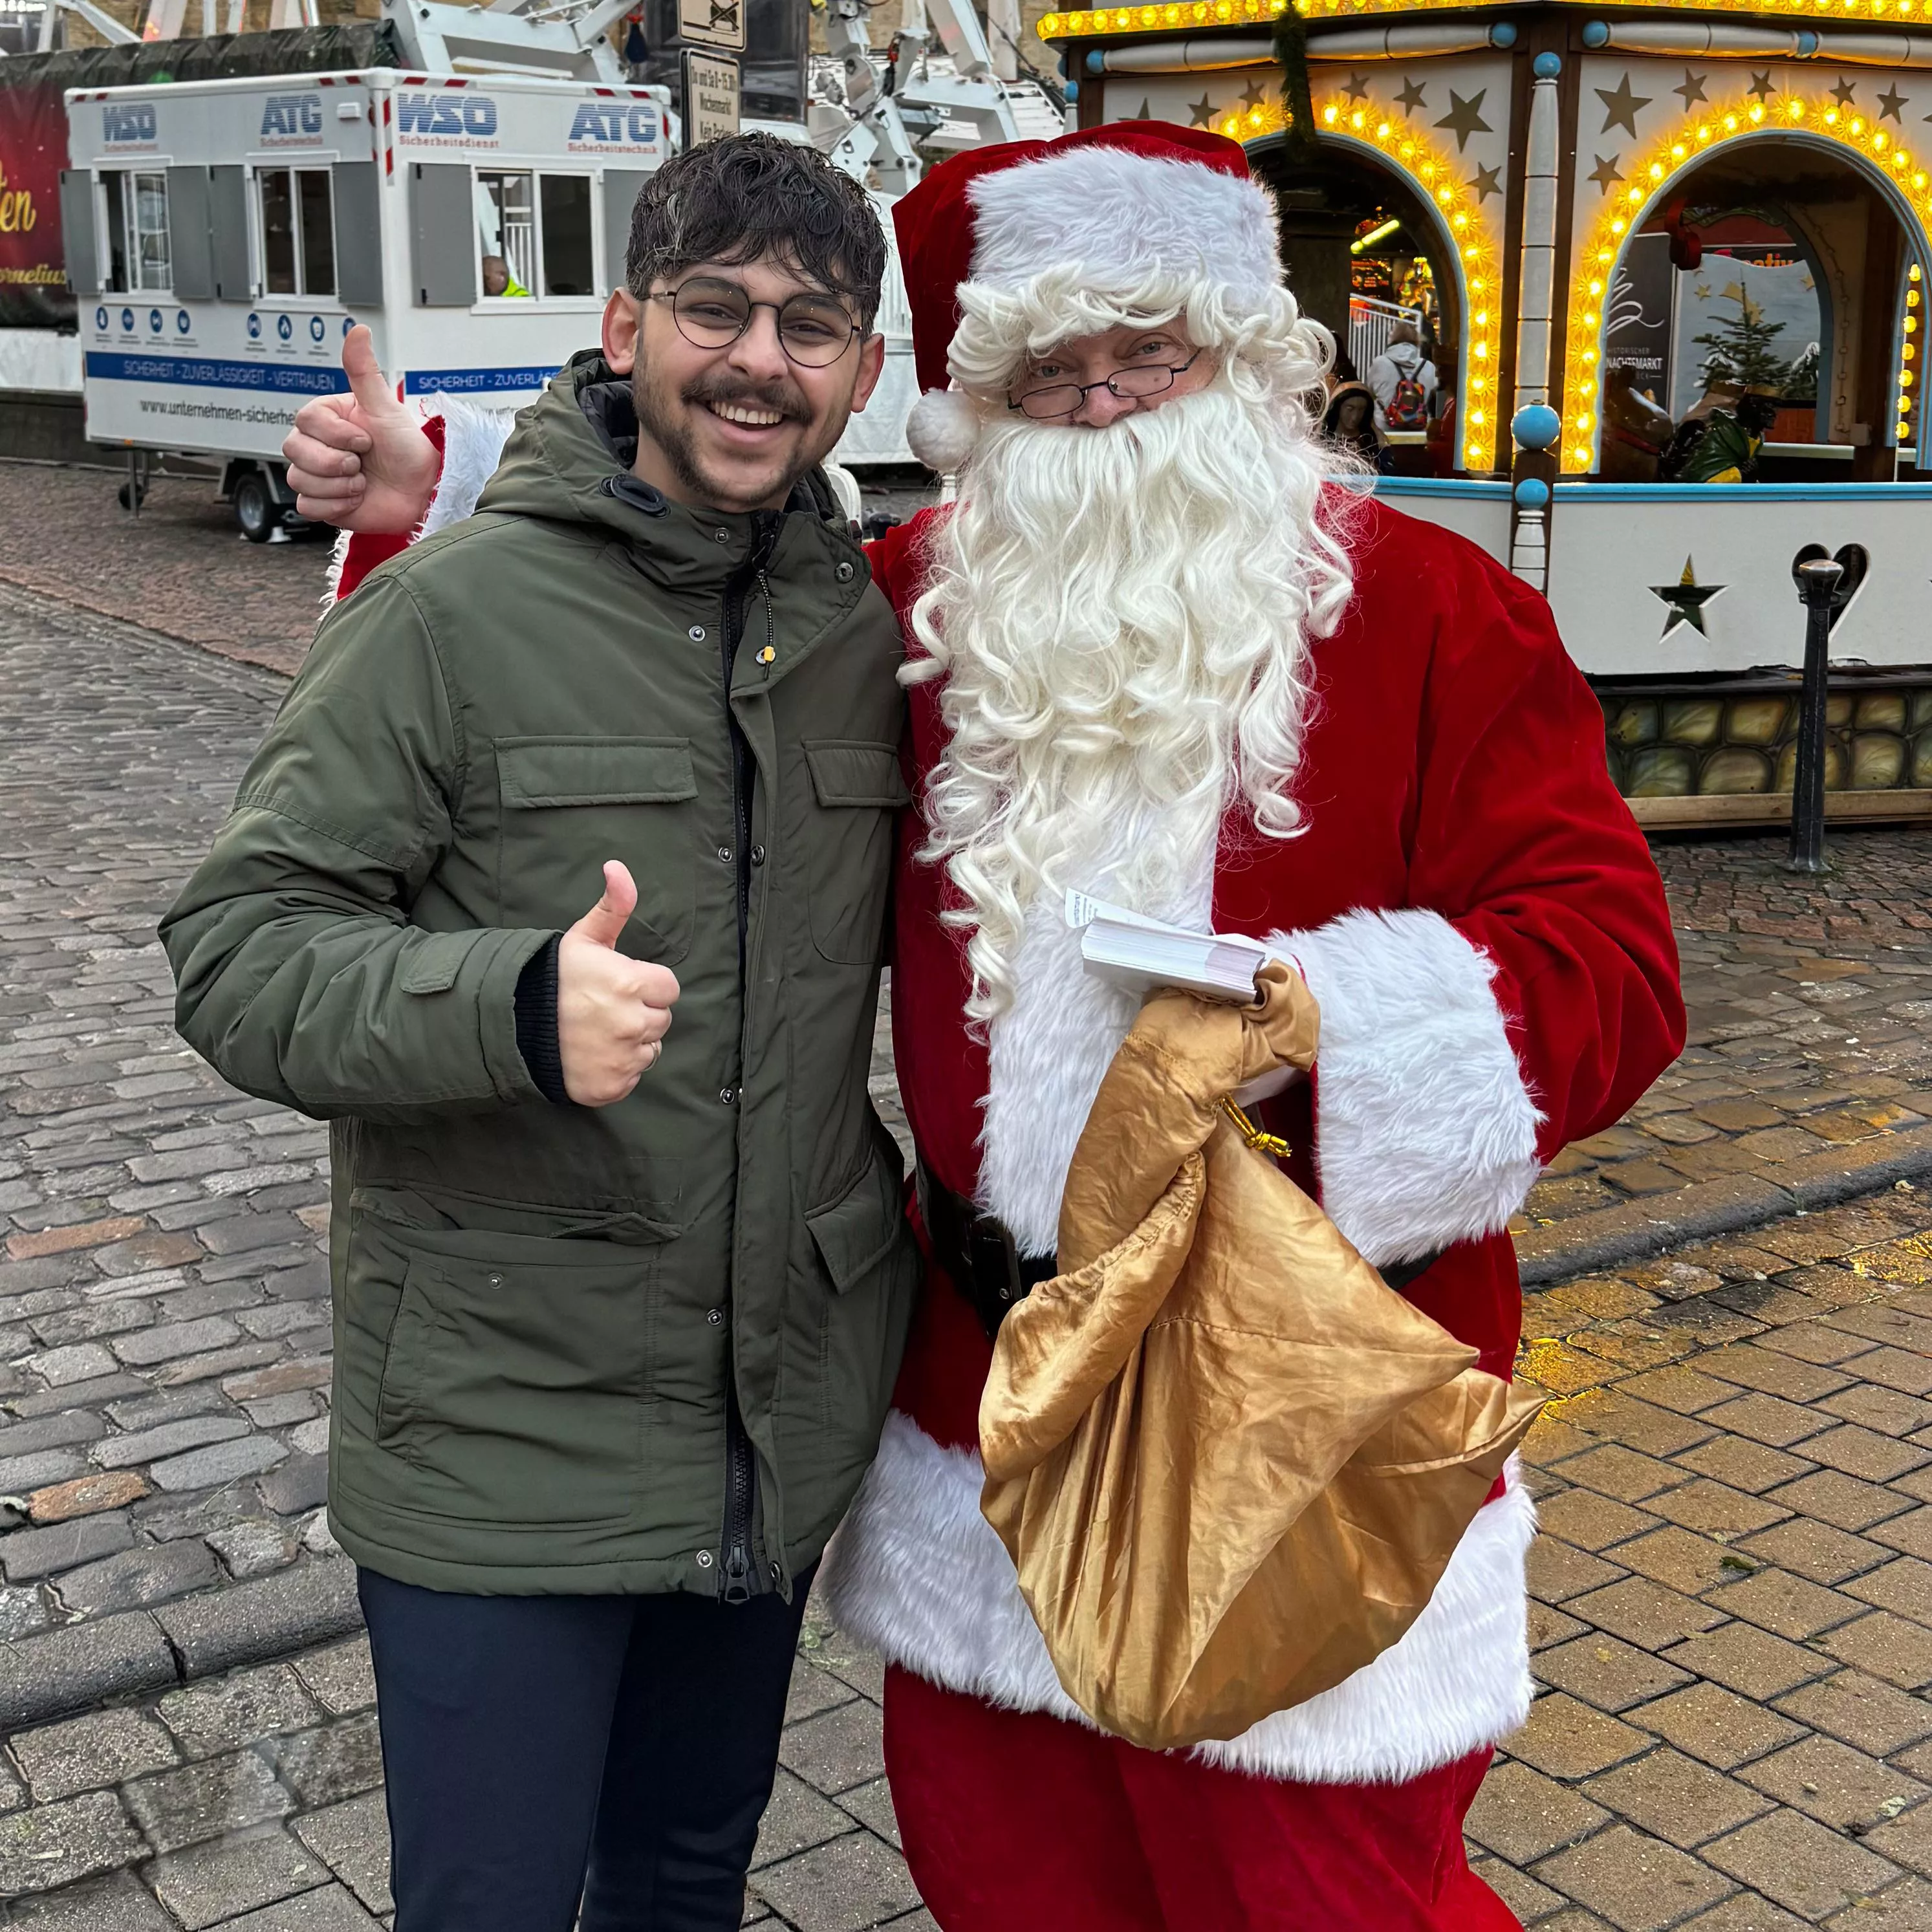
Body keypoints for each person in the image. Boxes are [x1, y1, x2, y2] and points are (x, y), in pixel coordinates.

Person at [292, 124, 1685, 1931]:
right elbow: (669, 596)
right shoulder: (929, 608)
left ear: (1246, 358)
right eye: (1052, 369)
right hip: (986, 1422)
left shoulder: (1435, 617)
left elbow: (1615, 970)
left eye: (1149, 355)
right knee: (1011, 1875)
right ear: (982, 403)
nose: (1103, 406)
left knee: (1318, 1896)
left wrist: (1321, 1021)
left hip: (1301, 1420)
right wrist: (445, 479)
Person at [160, 133, 919, 1932]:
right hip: (504, 1431)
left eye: (811, 326)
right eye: (716, 310)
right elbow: (235, 950)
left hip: (767, 1426)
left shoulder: (863, 632)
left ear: (864, 370)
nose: (759, 362)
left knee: (681, 1889)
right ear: (625, 323)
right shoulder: (450, 613)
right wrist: (505, 1001)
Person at [1366, 317, 1436, 433]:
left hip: (1384, 430)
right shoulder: (1428, 366)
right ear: (1417, 340)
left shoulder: (1380, 363)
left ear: (1392, 339)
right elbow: (1435, 392)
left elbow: (1370, 392)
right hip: (1418, 432)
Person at [1321, 376, 1384, 466]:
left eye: (1361, 410)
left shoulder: (1372, 441)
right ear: (1338, 408)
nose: (1355, 417)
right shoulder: (1325, 440)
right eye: (1350, 409)